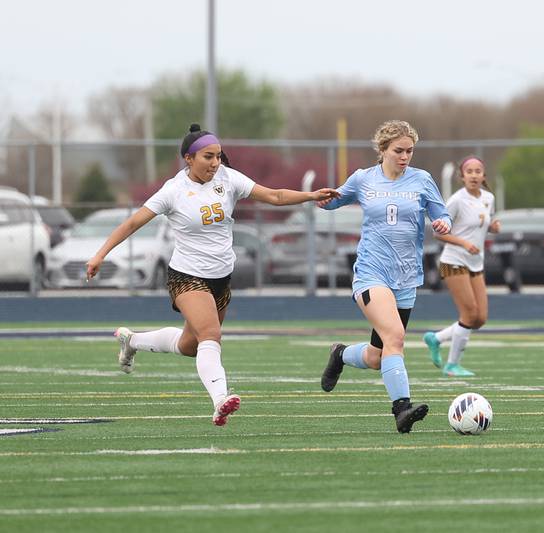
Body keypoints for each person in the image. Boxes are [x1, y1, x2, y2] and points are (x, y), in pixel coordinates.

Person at [86, 123, 339, 427]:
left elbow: (274, 196)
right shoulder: (174, 191)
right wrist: (101, 254)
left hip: (220, 279)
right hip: (187, 276)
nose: (215, 163)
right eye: (208, 157)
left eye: (218, 156)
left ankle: (133, 341)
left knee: (190, 345)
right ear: (188, 159)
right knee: (211, 336)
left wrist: (311, 196)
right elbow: (132, 223)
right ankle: (220, 400)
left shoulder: (228, 179)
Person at [317, 120, 452, 433]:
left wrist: (443, 223)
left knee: (378, 356)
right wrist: (322, 200)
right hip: (371, 273)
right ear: (382, 150)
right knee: (396, 337)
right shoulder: (364, 179)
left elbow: (440, 213)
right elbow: (334, 200)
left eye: (409, 151)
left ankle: (340, 355)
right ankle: (401, 409)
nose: (405, 156)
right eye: (398, 151)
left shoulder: (422, 179)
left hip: (406, 277)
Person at [422, 156, 499, 377]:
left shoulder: (489, 198)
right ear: (462, 176)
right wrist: (464, 243)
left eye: (478, 171)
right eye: (470, 171)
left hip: (476, 263)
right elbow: (438, 232)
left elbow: (482, 225)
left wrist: (493, 227)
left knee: (480, 319)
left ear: (483, 175)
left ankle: (436, 338)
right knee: (469, 314)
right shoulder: (456, 200)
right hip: (453, 261)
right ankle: (452, 365)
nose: (474, 175)